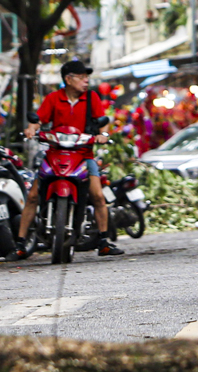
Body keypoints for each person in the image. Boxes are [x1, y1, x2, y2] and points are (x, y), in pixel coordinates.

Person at [21, 59, 123, 257]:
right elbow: (38, 120)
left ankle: (103, 241)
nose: (86, 81)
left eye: (87, 77)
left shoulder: (92, 98)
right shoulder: (53, 98)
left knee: (98, 196)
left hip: (84, 155)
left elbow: (103, 122)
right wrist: (31, 129)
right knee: (33, 196)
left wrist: (104, 135)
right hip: (54, 155)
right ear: (68, 79)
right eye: (82, 77)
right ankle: (20, 242)